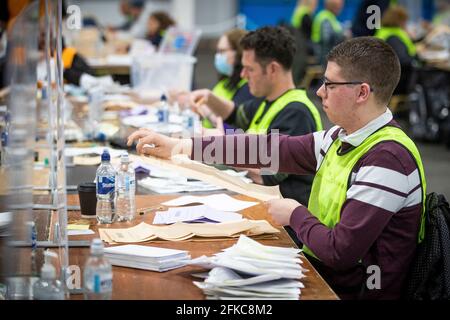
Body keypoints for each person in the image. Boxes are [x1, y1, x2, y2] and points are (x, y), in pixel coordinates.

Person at [127, 37, 427, 300]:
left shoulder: (388, 159)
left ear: (362, 93)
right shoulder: (342, 135)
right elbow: (270, 150)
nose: (320, 92)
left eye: (330, 84)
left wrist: (294, 213)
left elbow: (341, 251)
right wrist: (182, 147)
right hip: (322, 274)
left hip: (346, 290)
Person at [187, 26, 322, 205]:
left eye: (249, 69)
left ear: (273, 69)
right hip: (262, 203)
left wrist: (216, 148)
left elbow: (268, 174)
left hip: (285, 225)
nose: (243, 75)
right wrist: (209, 98)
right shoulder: (266, 101)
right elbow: (235, 114)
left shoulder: (296, 113)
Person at [187, 28, 253, 129]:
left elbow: (234, 128)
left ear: (239, 53)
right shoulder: (225, 82)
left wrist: (206, 111)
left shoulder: (248, 87)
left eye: (222, 51)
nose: (217, 56)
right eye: (217, 51)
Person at [374, 5, 417, 95]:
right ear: (400, 20)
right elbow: (403, 61)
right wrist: (416, 57)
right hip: (397, 83)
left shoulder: (384, 32)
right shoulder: (394, 37)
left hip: (382, 79)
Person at [311, 0, 345, 65]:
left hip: (327, 54)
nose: (341, 8)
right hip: (323, 56)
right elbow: (326, 39)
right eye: (340, 6)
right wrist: (342, 36)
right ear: (335, 6)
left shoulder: (330, 17)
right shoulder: (325, 18)